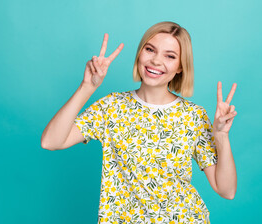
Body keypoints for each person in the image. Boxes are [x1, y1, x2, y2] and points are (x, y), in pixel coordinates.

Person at [41, 21, 238, 224]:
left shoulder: (193, 116)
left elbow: (226, 190)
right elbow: (51, 141)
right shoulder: (112, 107)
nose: (156, 61)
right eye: (150, 49)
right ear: (140, 53)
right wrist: (87, 87)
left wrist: (221, 136)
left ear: (180, 67)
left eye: (170, 56)